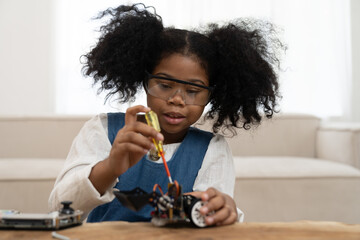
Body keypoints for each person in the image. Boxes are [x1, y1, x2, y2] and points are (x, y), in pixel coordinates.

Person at [49, 3, 283, 226]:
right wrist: (111, 166)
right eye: (164, 85)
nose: (177, 100)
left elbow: (213, 214)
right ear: (145, 82)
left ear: (210, 96)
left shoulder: (212, 148)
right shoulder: (102, 129)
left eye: (193, 91)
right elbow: (59, 207)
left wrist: (224, 207)